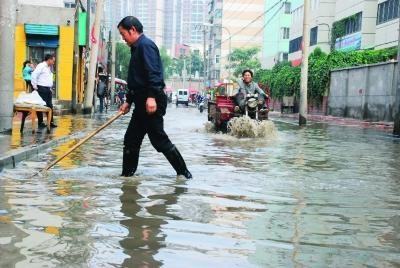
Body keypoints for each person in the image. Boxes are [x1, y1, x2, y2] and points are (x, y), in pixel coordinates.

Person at [117, 16, 192, 179]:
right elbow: (136, 79)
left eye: (123, 34)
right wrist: (128, 101)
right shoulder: (136, 48)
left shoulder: (146, 46)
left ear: (132, 30)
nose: (122, 38)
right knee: (131, 140)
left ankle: (185, 174)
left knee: (159, 140)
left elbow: (154, 74)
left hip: (151, 102)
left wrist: (151, 97)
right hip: (141, 103)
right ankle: (127, 177)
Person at [31, 54, 57, 128]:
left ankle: (50, 122)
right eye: (53, 61)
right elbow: (34, 75)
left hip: (47, 89)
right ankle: (41, 122)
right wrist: (35, 86)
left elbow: (47, 79)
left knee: (50, 106)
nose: (53, 62)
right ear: (49, 60)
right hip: (41, 88)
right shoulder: (41, 66)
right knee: (41, 106)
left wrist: (50, 88)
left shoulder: (49, 68)